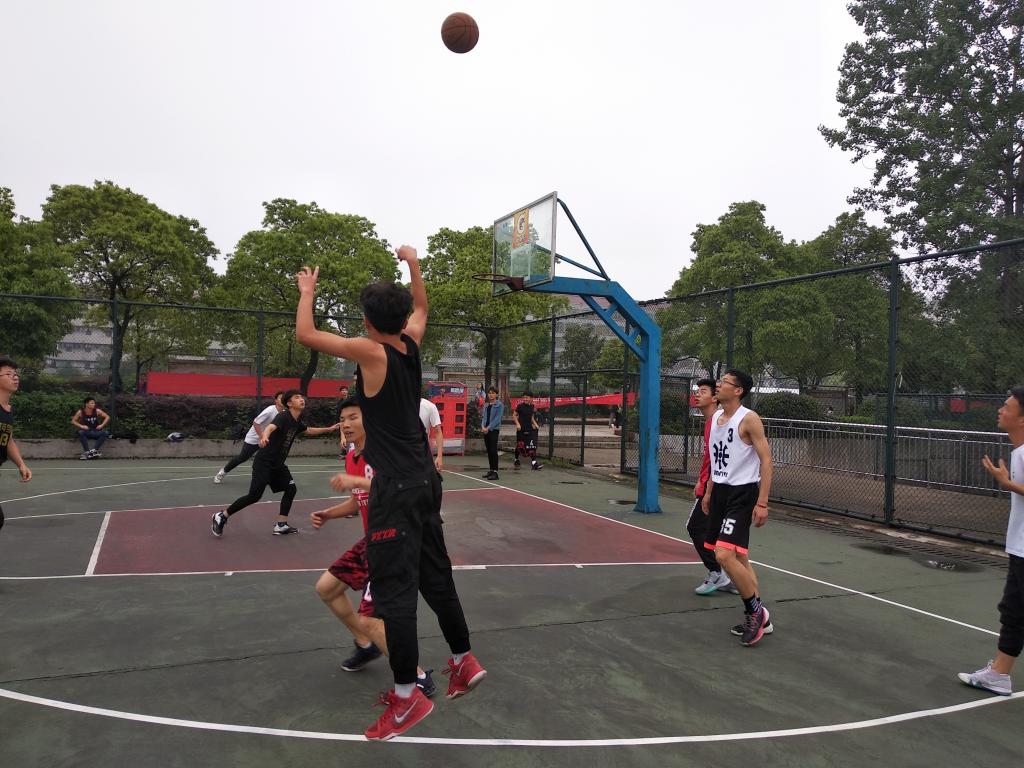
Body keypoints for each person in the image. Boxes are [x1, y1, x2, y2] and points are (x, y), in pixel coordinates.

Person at [294, 247, 485, 741]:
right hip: (426, 483)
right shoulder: (410, 342)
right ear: (400, 319)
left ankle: (405, 698)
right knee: (436, 578)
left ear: (366, 321)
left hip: (395, 489)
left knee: (393, 597)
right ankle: (463, 659)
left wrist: (307, 292)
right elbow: (422, 306)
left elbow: (306, 335)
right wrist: (413, 264)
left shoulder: (371, 351)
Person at [311, 397, 435, 696]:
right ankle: (366, 646)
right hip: (372, 541)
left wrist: (354, 480)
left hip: (395, 542)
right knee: (327, 588)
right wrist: (329, 514)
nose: (346, 424)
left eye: (353, 417)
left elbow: (397, 489)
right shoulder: (352, 456)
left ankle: (417, 676)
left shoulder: (385, 454)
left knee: (370, 619)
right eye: (343, 419)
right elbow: (358, 501)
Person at [958, 386, 1024, 696]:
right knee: (1013, 610)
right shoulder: (1019, 451)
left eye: (1007, 407)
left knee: (1015, 610)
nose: (1001, 410)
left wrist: (1007, 483)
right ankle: (999, 674)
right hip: (1019, 546)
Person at [702, 369, 774, 646]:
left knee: (724, 555)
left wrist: (762, 502)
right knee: (739, 558)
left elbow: (766, 461)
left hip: (742, 493)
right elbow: (715, 459)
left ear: (738, 390)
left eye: (724, 383)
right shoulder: (715, 419)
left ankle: (754, 611)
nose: (718, 385)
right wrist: (709, 492)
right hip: (720, 492)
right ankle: (763, 618)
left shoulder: (749, 419)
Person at [211, 389, 338, 537]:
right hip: (264, 462)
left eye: (302, 397)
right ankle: (222, 515)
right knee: (254, 496)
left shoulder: (296, 420)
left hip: (278, 464)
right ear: (289, 403)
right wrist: (264, 436)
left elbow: (308, 430)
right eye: (297, 397)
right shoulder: (283, 416)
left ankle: (281, 525)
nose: (301, 399)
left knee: (291, 489)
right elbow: (270, 427)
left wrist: (329, 429)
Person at [688, 379, 738, 597]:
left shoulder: (719, 421)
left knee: (695, 527)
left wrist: (707, 486)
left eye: (703, 391)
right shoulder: (711, 421)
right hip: (715, 484)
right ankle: (732, 578)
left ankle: (717, 573)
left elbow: (720, 460)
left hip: (719, 486)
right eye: (697, 391)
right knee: (716, 534)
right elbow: (711, 457)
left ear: (714, 398)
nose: (697, 395)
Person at [213, 392, 284, 483]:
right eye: (281, 398)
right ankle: (222, 472)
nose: (283, 400)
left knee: (272, 458)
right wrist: (262, 437)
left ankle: (269, 478)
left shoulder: (284, 413)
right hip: (254, 438)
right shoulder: (270, 410)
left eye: (284, 398)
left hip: (267, 438)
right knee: (242, 457)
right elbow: (256, 423)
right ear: (276, 400)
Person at [0, 356, 32, 533]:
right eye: (9, 373)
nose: (15, 377)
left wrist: (21, 464)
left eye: (16, 374)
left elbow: (8, 440)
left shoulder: (7, 410)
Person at [512, 390, 543, 471]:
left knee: (532, 445)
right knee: (519, 445)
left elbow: (531, 417)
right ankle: (516, 459)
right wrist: (518, 424)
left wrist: (535, 424)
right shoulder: (520, 406)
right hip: (521, 429)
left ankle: (534, 463)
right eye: (524, 397)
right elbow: (514, 415)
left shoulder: (532, 406)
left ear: (531, 398)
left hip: (529, 429)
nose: (525, 399)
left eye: (527, 397)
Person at [481, 386, 502, 480]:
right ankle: (491, 470)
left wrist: (488, 428)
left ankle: (495, 472)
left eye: (493, 393)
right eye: (489, 393)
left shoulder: (499, 405)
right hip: (486, 430)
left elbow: (497, 419)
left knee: (493, 450)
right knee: (489, 451)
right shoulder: (486, 405)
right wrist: (483, 427)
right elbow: (484, 417)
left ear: (497, 394)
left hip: (493, 430)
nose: (491, 395)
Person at [419, 396, 444, 471]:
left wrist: (439, 456)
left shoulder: (430, 406)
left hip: (422, 452)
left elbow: (438, 432)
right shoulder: (399, 406)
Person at [336, 383, 350, 455]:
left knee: (349, 435)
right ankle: (344, 452)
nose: (344, 391)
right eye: (342, 390)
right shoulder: (339, 402)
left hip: (349, 421)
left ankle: (349, 452)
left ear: (347, 391)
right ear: (340, 392)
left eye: (345, 390)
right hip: (341, 422)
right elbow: (338, 413)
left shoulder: (350, 400)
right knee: (342, 436)